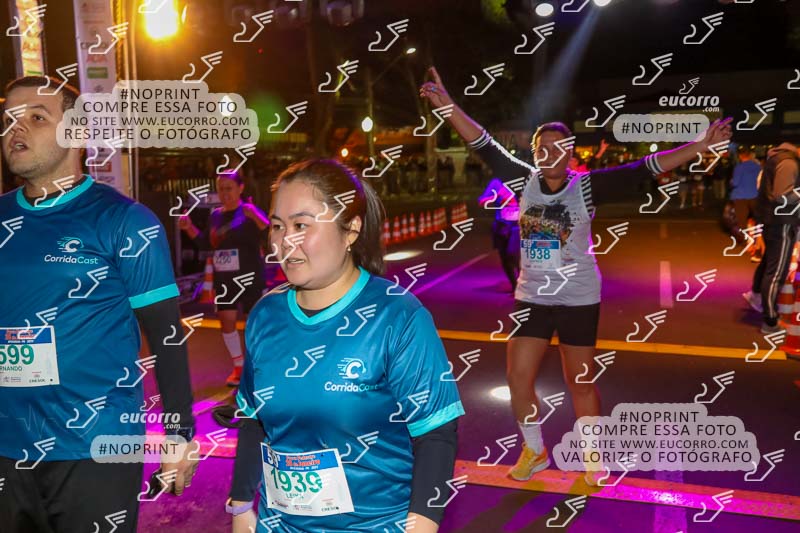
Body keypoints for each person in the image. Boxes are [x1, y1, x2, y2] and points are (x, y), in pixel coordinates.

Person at [419, 66, 732, 485]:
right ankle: (534, 450)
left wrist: (701, 145)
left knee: (579, 381)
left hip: (578, 297)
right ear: (534, 153)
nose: (550, 154)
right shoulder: (523, 181)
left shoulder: (585, 187)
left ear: (570, 153)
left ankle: (592, 455)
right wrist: (448, 106)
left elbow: (647, 167)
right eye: (542, 148)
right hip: (533, 296)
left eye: (558, 147)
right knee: (517, 377)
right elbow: (482, 142)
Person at [0, 76, 198, 532]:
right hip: (7, 448)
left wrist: (179, 434)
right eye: (8, 119)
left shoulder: (124, 221)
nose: (16, 129)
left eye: (36, 117)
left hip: (96, 449)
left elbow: (167, 336)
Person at [227, 159, 464, 532]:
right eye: (277, 226)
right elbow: (252, 418)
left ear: (351, 229)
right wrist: (241, 505)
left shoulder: (397, 317)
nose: (285, 241)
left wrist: (422, 524)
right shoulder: (265, 315)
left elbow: (436, 434)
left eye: (302, 225)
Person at [179, 172, 270, 386]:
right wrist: (189, 227)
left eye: (229, 188)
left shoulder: (248, 211)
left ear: (240, 188)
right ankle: (238, 368)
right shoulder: (216, 216)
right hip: (225, 278)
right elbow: (206, 244)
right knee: (226, 322)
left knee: (254, 324)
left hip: (249, 276)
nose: (225, 193)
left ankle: (259, 366)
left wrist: (255, 216)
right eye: (221, 188)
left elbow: (270, 234)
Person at [747, 143, 800, 333]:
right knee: (776, 272)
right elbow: (782, 195)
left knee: (770, 265)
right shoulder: (789, 163)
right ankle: (770, 321)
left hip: (774, 220)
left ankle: (759, 299)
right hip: (782, 222)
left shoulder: (779, 158)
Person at [479, 176, 520, 293]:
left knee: (513, 256)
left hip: (516, 227)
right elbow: (481, 201)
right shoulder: (497, 183)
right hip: (501, 227)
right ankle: (515, 285)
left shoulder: (522, 182)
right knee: (505, 258)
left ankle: (522, 284)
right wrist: (495, 197)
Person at [730, 146, 762, 255]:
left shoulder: (739, 167)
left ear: (740, 156)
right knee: (756, 220)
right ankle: (757, 242)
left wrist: (731, 182)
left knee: (742, 221)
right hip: (755, 196)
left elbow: (735, 183)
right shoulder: (757, 167)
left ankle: (745, 242)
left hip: (741, 197)